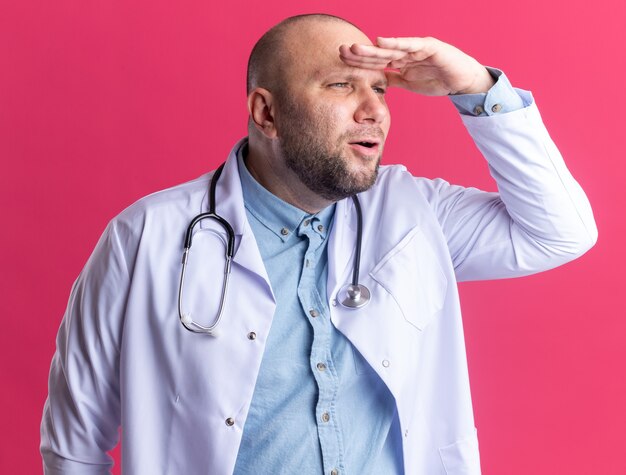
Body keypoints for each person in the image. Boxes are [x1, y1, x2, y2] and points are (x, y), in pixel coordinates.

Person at [40, 13, 597, 475]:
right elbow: (74, 442)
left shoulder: (414, 214)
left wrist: (473, 86)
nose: (374, 108)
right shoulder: (147, 237)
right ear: (267, 113)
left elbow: (560, 231)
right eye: (340, 84)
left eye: (379, 88)